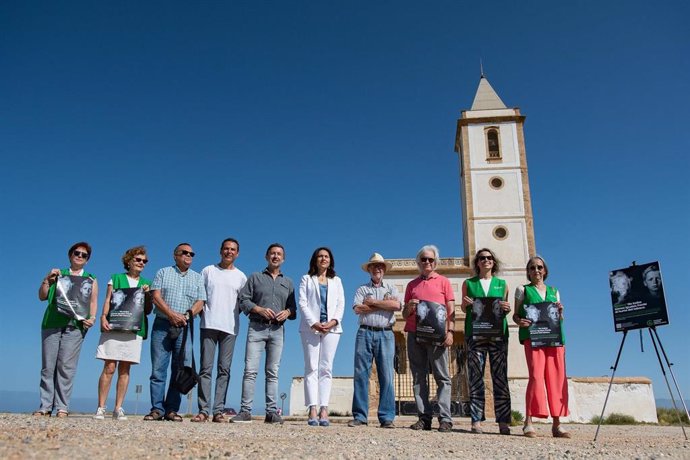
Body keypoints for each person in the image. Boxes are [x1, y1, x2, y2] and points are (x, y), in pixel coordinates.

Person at [231, 243, 296, 424]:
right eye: (272, 253)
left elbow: (293, 308)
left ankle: (271, 412)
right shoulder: (255, 278)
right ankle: (245, 411)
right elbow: (243, 300)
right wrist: (258, 309)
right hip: (256, 328)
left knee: (272, 372)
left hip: (277, 331)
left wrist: (288, 312)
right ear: (267, 257)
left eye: (279, 254)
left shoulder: (288, 283)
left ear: (283, 259)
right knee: (250, 371)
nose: (275, 256)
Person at [35, 242, 98, 417]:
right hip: (52, 322)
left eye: (84, 255)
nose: (79, 256)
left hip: (76, 326)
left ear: (87, 260)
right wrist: (47, 280)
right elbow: (42, 296)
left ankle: (62, 406)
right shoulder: (58, 274)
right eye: (76, 253)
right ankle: (45, 406)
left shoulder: (91, 279)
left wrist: (92, 318)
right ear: (70, 255)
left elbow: (93, 302)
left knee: (66, 366)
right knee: (48, 366)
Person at [145, 243, 206, 422]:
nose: (188, 256)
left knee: (179, 369)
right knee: (158, 369)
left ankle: (171, 409)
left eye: (191, 254)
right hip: (162, 325)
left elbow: (200, 302)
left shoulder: (197, 278)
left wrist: (186, 316)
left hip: (184, 328)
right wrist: (171, 314)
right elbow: (155, 296)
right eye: (184, 253)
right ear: (175, 255)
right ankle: (157, 409)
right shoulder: (163, 273)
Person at [513, 255, 570, 438]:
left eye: (539, 267)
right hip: (534, 338)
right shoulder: (522, 290)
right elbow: (515, 315)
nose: (536, 271)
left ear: (545, 270)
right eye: (532, 268)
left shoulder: (555, 291)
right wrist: (519, 321)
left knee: (556, 378)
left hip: (555, 339)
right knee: (536, 377)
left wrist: (560, 313)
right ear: (528, 272)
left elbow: (559, 318)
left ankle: (557, 424)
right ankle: (528, 422)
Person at [191, 238, 247, 423]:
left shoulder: (241, 277)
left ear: (237, 253)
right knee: (205, 369)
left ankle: (218, 411)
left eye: (233, 250)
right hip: (208, 324)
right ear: (220, 251)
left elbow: (242, 303)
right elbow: (200, 296)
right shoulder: (208, 271)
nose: (229, 252)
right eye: (226, 249)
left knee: (224, 369)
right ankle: (203, 410)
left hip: (230, 327)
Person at [94, 246, 153, 421]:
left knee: (125, 368)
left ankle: (118, 407)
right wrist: (103, 316)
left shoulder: (147, 283)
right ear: (129, 261)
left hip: (134, 328)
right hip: (115, 326)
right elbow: (108, 300)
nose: (141, 263)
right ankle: (101, 407)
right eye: (138, 259)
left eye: (144, 261)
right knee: (109, 367)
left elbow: (148, 310)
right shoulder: (116, 279)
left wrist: (148, 295)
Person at [402, 245, 455, 433]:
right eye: (424, 259)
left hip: (437, 335)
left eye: (430, 260)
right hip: (415, 333)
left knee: (442, 376)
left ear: (435, 262)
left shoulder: (444, 282)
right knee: (418, 376)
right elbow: (404, 313)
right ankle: (424, 418)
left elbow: (451, 311)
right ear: (418, 262)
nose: (427, 262)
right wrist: (409, 306)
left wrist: (451, 332)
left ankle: (445, 419)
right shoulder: (411, 285)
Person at [460, 248, 512, 435]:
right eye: (482, 258)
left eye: (489, 258)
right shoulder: (469, 283)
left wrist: (507, 308)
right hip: (475, 334)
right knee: (475, 377)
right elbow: (464, 307)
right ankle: (476, 420)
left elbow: (505, 308)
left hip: (498, 335)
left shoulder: (502, 284)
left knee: (500, 378)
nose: (486, 260)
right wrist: (465, 305)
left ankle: (503, 421)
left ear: (494, 262)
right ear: (477, 263)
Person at [348, 253, 401, 428]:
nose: (377, 268)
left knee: (386, 374)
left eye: (380, 266)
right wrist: (383, 304)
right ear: (369, 269)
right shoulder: (361, 289)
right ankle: (360, 416)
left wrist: (372, 303)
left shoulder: (392, 288)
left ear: (384, 269)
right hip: (364, 332)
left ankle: (387, 417)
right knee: (361, 374)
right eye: (374, 266)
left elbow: (396, 306)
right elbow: (357, 309)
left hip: (386, 333)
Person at [298, 247, 345, 427]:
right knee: (311, 367)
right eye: (320, 256)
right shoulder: (306, 279)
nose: (323, 259)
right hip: (310, 328)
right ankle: (312, 408)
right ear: (315, 260)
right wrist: (313, 322)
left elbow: (341, 303)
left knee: (326, 368)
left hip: (332, 329)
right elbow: (302, 302)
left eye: (326, 256)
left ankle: (324, 408)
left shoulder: (337, 281)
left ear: (330, 260)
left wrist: (333, 321)